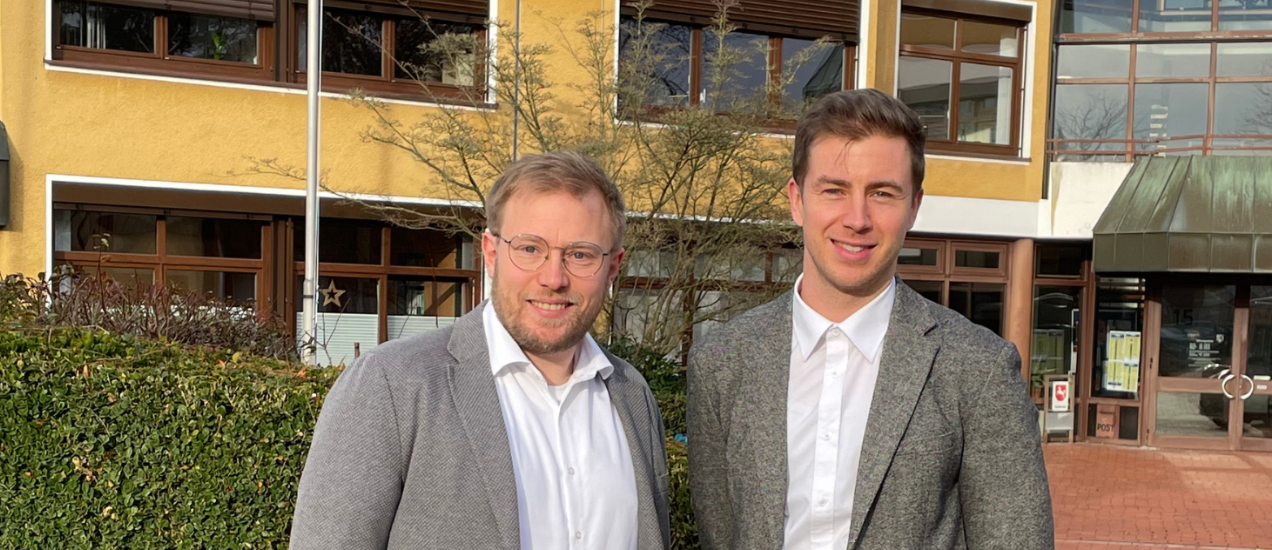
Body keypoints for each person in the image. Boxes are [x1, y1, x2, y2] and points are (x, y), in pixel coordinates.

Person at [687, 89, 1053, 550]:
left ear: (914, 206)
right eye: (834, 190)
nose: (857, 219)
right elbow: (720, 537)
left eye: (882, 193)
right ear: (797, 200)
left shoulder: (979, 370)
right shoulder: (721, 363)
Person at [291, 150, 671, 550]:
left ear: (613, 267)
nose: (553, 278)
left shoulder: (633, 395)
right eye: (530, 249)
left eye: (580, 254)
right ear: (491, 252)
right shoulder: (391, 386)